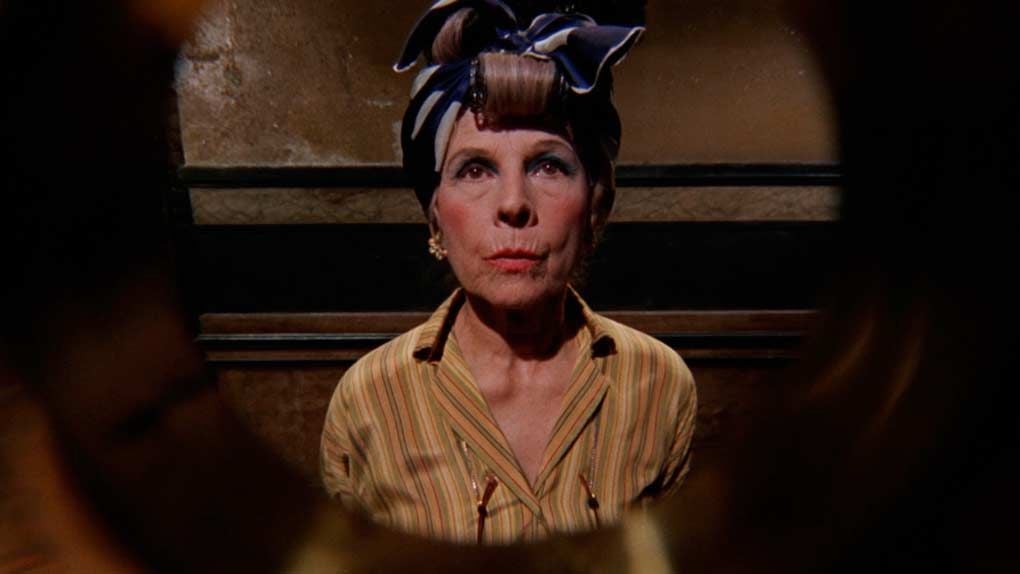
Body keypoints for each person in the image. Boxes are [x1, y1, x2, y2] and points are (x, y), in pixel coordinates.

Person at [320, 0, 696, 545]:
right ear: (435, 215)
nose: (514, 204)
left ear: (595, 207)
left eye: (549, 166)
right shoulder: (369, 399)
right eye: (475, 169)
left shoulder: (660, 384)